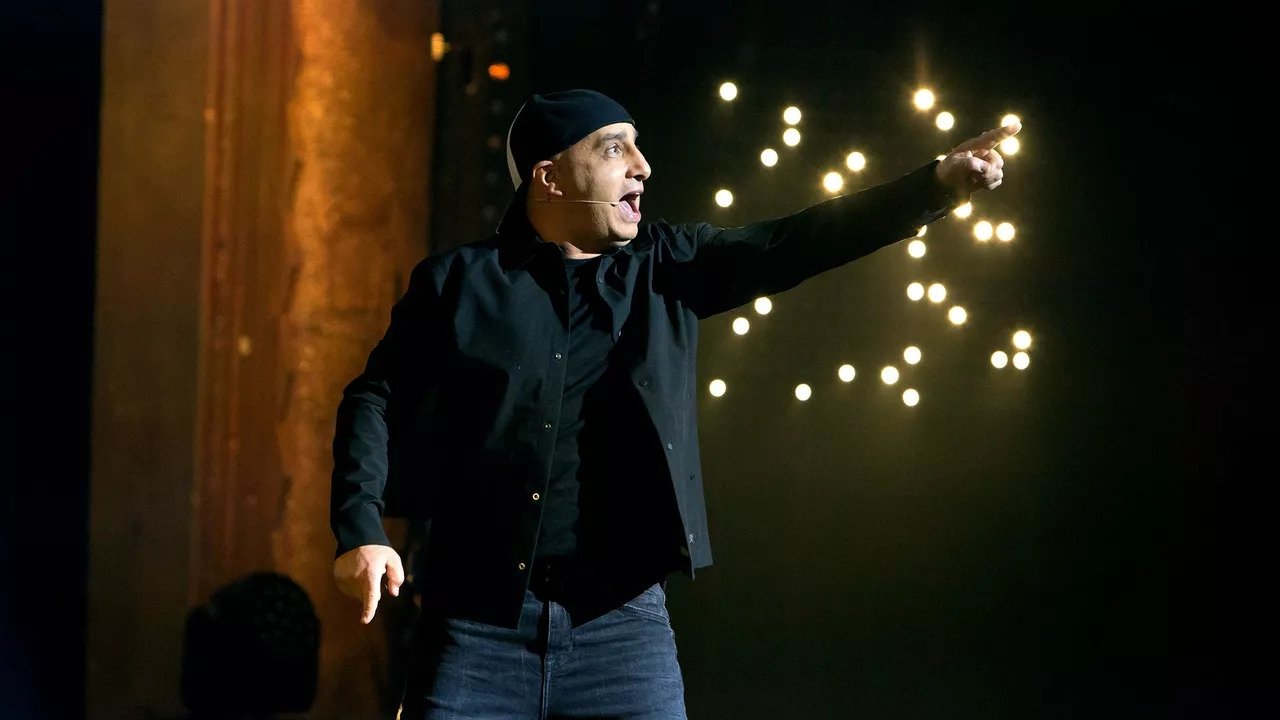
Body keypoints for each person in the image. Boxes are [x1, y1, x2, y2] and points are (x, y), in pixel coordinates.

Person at [330, 88, 1018, 719]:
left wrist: (934, 186)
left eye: (638, 147)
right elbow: (374, 398)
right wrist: (361, 526)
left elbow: (796, 242)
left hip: (621, 633)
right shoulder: (458, 283)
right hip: (476, 630)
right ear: (549, 176)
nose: (643, 167)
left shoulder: (669, 265)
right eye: (614, 149)